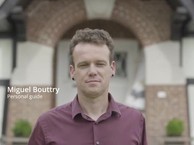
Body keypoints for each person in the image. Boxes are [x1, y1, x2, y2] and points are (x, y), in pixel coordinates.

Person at [28, 28, 147, 145]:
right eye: (84, 65)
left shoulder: (135, 120)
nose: (92, 71)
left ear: (113, 68)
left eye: (100, 64)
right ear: (72, 71)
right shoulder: (47, 124)